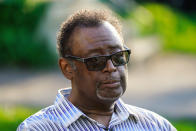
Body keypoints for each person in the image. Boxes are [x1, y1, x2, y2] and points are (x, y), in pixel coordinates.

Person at [17, 9, 177, 131]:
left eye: (118, 56)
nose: (111, 68)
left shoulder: (155, 125)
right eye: (96, 61)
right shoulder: (39, 128)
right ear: (67, 68)